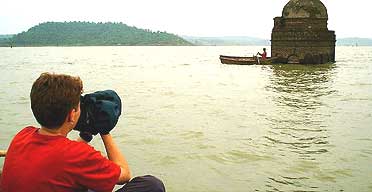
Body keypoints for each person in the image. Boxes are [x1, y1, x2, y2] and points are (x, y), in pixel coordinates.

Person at [0, 73, 165, 192]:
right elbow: (124, 174)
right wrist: (104, 129)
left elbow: (54, 157)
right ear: (72, 114)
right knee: (151, 185)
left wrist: (86, 135)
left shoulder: (23, 135)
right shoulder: (78, 155)